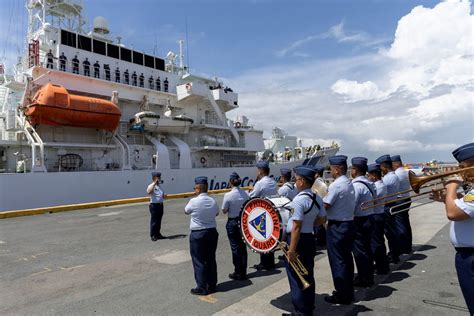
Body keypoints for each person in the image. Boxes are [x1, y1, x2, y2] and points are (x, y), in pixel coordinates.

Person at [431, 143, 474, 314]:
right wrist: (447, 199)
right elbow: (464, 208)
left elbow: (453, 213)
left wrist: (451, 187)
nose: (460, 172)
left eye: (463, 167)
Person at [285, 165, 326, 315]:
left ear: (302, 181)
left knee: (296, 278)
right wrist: (309, 223)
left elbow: (296, 227)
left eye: (296, 180)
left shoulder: (298, 200)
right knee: (308, 274)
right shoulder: (317, 197)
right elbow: (322, 219)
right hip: (309, 239)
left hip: (298, 241)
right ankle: (308, 307)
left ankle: (300, 312)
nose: (295, 182)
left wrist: (291, 250)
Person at [323, 155, 356, 305]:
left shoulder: (336, 185)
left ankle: (342, 294)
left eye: (331, 168)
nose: (330, 171)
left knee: (338, 261)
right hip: (348, 223)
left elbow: (326, 205)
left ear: (336, 169)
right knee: (346, 259)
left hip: (337, 226)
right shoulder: (348, 183)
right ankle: (347, 290)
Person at [185, 177, 219, 295]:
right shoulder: (213, 201)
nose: (194, 190)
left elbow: (186, 211)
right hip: (212, 232)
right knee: (210, 259)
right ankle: (212, 285)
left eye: (195, 188)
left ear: (198, 188)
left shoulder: (193, 201)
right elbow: (217, 213)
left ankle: (202, 287)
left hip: (198, 234)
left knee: (198, 260)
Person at [351, 157, 375, 287]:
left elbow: (351, 205)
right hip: (369, 217)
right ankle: (368, 275)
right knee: (367, 249)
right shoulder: (369, 183)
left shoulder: (357, 186)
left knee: (360, 251)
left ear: (355, 170)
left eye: (352, 168)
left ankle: (364, 278)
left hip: (360, 220)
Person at [249, 160, 278, 270]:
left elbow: (252, 197)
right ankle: (271, 262)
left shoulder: (260, 183)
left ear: (260, 171)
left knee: (263, 238)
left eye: (257, 170)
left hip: (262, 212)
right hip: (272, 211)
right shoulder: (273, 182)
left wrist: (251, 189)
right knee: (271, 237)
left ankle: (265, 263)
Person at [222, 172, 249, 281]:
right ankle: (243, 271)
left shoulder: (228, 195)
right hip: (243, 221)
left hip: (233, 222)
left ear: (231, 182)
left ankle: (238, 272)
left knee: (235, 248)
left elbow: (224, 210)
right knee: (243, 247)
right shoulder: (246, 193)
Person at [375, 154, 401, 264]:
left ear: (384, 166)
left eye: (380, 167)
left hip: (387, 206)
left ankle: (394, 255)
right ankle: (394, 253)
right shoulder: (394, 176)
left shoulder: (387, 178)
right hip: (392, 203)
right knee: (392, 232)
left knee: (389, 232)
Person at [367, 163, 390, 275]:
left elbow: (372, 201)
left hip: (376, 215)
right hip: (379, 215)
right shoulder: (379, 185)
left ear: (374, 176)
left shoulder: (378, 187)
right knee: (378, 242)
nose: (368, 177)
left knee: (376, 243)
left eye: (369, 175)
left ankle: (382, 267)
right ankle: (382, 265)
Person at [391, 155, 413, 254]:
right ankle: (408, 245)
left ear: (394, 164)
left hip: (399, 200)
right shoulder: (406, 172)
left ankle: (403, 247)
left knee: (400, 225)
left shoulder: (396, 175)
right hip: (406, 198)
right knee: (406, 223)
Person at [146, 171, 166, 241]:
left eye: (159, 177)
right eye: (158, 177)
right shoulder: (151, 185)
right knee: (154, 221)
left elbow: (160, 195)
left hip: (160, 205)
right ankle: (153, 235)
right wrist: (154, 183)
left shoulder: (159, 186)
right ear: (154, 178)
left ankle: (158, 234)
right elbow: (149, 192)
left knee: (159, 220)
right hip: (154, 205)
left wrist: (163, 196)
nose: (159, 179)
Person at [312, 165, 328, 248]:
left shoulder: (316, 183)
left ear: (317, 174)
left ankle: (320, 241)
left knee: (318, 226)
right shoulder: (324, 182)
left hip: (317, 206)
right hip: (323, 205)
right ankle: (322, 240)